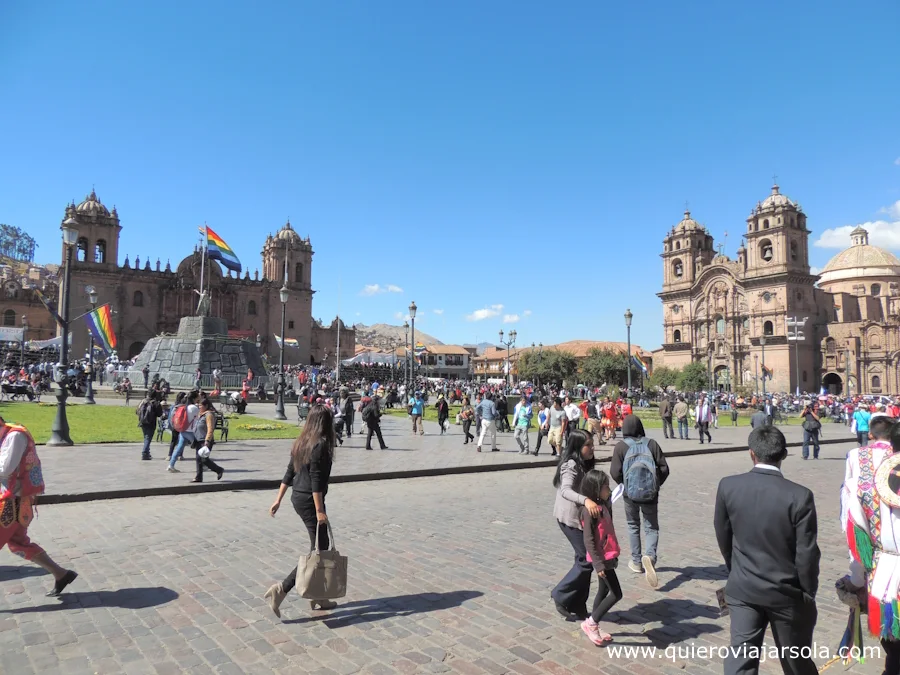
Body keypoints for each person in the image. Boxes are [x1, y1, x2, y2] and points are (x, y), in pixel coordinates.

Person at [714, 426, 819, 675]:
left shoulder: (729, 486)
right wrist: (808, 591)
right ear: (783, 454)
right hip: (786, 592)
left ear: (751, 453)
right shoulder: (800, 495)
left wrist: (737, 570)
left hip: (743, 587)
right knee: (796, 660)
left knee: (740, 659)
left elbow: (724, 536)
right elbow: (806, 553)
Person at [839, 417, 900, 672]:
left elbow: (857, 543)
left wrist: (855, 580)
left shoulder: (861, 486)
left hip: (885, 575)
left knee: (894, 650)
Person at [265, 405, 337, 617]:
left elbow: (289, 472)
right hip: (310, 499)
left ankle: (319, 596)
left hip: (298, 496)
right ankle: (282, 589)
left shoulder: (302, 442)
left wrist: (278, 499)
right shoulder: (321, 445)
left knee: (321, 548)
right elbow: (316, 479)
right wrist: (320, 511)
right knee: (319, 550)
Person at [0, 414, 78, 597]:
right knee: (19, 544)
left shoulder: (14, 436)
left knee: (18, 544)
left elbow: (5, 468)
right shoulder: (6, 435)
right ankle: (61, 574)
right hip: (14, 502)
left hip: (11, 503)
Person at [609, 415, 669, 588]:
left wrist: (625, 484)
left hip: (630, 494)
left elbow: (614, 471)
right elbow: (664, 468)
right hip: (650, 494)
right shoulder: (652, 444)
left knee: (633, 525)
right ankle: (650, 556)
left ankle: (636, 561)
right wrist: (655, 484)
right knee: (651, 526)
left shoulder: (621, 447)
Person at [551, 429, 600, 621]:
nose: (592, 448)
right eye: (588, 444)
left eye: (592, 443)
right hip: (568, 518)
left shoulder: (585, 463)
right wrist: (586, 500)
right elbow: (566, 490)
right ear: (578, 447)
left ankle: (579, 604)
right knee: (586, 560)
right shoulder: (570, 464)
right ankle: (560, 594)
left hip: (581, 518)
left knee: (583, 559)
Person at [579, 469, 622, 646]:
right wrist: (598, 564)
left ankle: (593, 623)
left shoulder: (603, 504)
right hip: (601, 559)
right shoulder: (589, 512)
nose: (609, 490)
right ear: (596, 489)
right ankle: (591, 623)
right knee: (616, 594)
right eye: (606, 487)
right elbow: (588, 540)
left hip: (608, 555)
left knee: (603, 591)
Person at [192, 396, 224, 482]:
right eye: (198, 405)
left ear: (206, 406)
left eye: (201, 405)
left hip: (205, 440)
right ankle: (199, 477)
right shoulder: (201, 414)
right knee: (199, 459)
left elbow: (210, 428)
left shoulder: (209, 415)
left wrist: (207, 440)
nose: (199, 407)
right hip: (198, 439)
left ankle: (219, 469)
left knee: (203, 459)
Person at [168, 390, 200, 472]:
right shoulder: (194, 408)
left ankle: (171, 465)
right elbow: (198, 419)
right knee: (200, 447)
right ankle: (203, 465)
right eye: (198, 396)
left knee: (179, 448)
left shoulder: (184, 406)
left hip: (182, 430)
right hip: (190, 431)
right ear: (194, 398)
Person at [136, 390, 163, 461]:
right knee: (148, 438)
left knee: (146, 437)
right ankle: (145, 453)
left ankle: (147, 452)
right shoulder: (155, 403)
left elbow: (137, 411)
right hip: (151, 423)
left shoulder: (143, 401)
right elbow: (159, 414)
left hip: (142, 422)